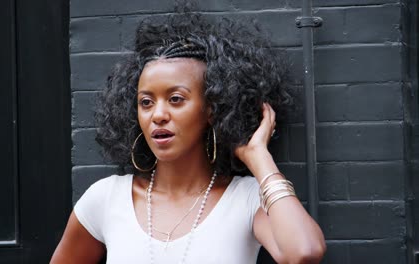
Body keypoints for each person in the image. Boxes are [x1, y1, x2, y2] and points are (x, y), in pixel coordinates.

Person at [51, 9, 326, 264]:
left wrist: (258, 156)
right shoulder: (106, 198)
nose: (157, 114)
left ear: (211, 108)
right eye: (146, 102)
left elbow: (304, 252)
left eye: (175, 99)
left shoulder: (246, 199)